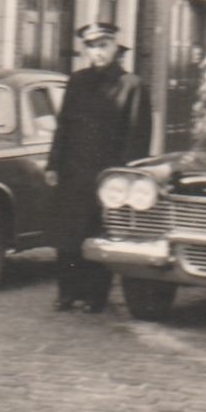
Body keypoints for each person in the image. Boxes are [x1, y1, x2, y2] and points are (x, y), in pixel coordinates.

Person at [46, 22, 155, 312]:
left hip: (109, 178)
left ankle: (95, 296)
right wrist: (54, 163)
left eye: (104, 45)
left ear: (116, 48)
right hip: (74, 172)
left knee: (100, 233)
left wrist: (126, 177)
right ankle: (67, 292)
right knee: (68, 235)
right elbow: (64, 127)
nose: (98, 52)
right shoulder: (77, 82)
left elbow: (137, 136)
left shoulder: (132, 86)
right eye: (92, 46)